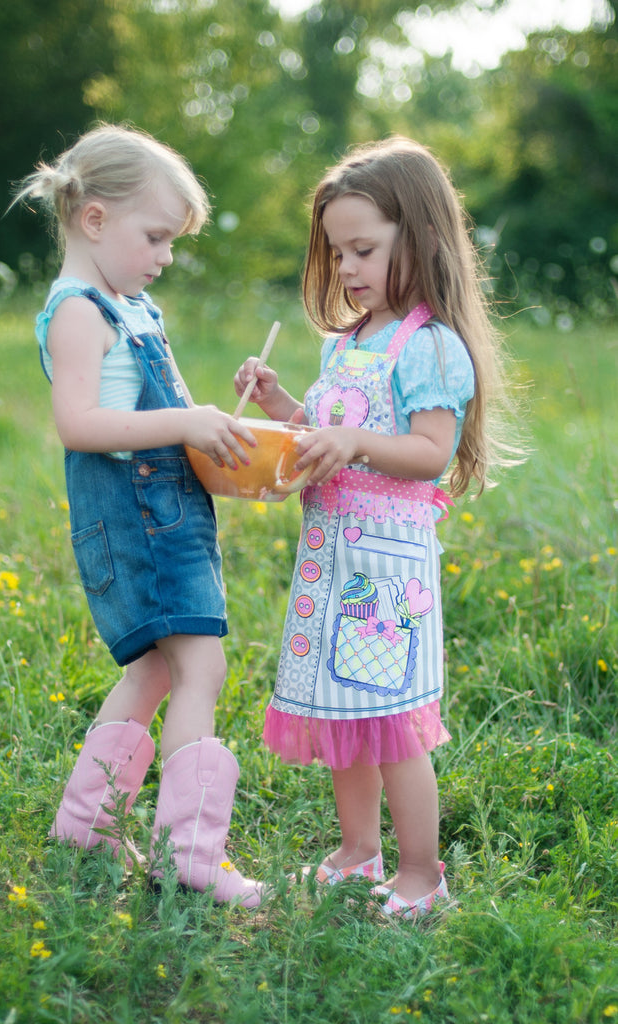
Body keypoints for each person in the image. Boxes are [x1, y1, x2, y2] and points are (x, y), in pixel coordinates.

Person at [234, 136, 519, 919]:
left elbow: (427, 452)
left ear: (419, 239)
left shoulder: (427, 345)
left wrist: (354, 442)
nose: (348, 268)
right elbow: (329, 432)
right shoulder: (347, 341)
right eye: (337, 252)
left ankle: (421, 876)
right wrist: (281, 406)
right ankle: (358, 853)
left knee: (390, 723)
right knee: (340, 713)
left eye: (364, 248)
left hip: (384, 568)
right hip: (330, 560)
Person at [12, 123, 262, 907]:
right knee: (201, 666)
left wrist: (226, 445)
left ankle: (87, 826)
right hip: (136, 517)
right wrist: (187, 424)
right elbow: (80, 425)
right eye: (154, 235)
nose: (165, 256)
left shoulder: (135, 306)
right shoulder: (80, 310)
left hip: (164, 511)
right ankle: (190, 853)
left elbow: (171, 414)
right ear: (94, 220)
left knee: (155, 667)